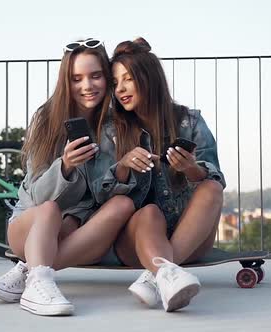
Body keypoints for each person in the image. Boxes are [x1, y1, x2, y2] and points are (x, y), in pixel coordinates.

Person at [0, 38, 135, 316]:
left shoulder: (116, 127)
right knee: (51, 209)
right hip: (30, 225)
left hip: (79, 232)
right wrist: (64, 166)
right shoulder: (46, 120)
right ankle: (39, 285)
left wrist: (116, 167)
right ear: (66, 81)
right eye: (77, 78)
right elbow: (37, 196)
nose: (87, 86)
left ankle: (28, 271)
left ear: (108, 78)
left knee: (122, 205)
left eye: (96, 76)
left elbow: (106, 197)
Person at [89, 37, 226, 312]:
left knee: (212, 188)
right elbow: (98, 194)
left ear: (149, 78)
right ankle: (166, 275)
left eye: (128, 79)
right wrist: (124, 165)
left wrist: (191, 169)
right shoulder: (111, 131)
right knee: (149, 212)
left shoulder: (190, 121)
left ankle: (158, 276)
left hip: (189, 235)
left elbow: (216, 176)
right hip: (136, 241)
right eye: (115, 83)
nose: (121, 89)